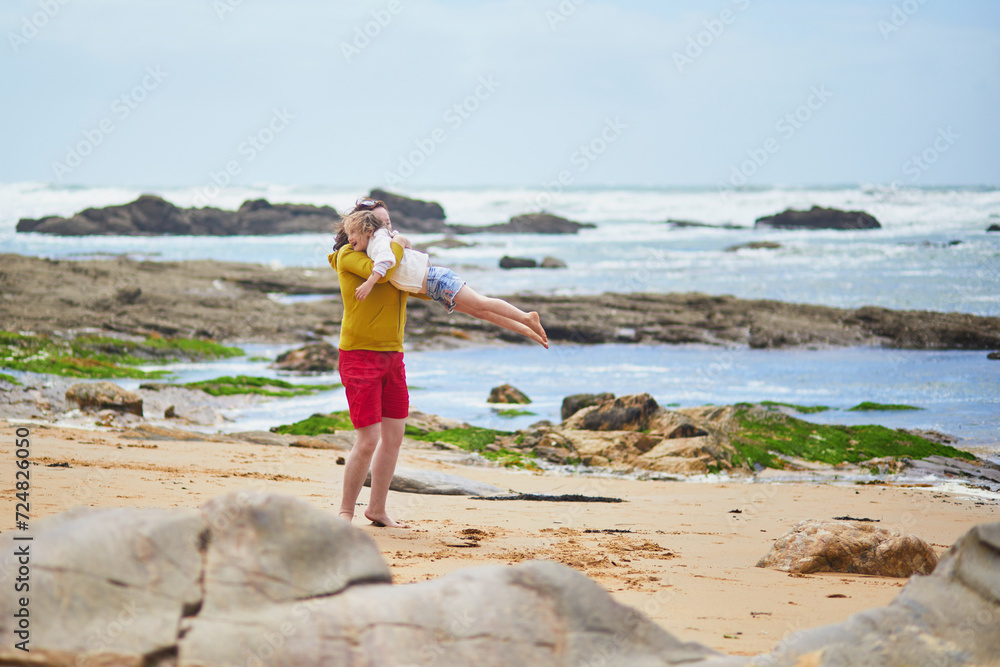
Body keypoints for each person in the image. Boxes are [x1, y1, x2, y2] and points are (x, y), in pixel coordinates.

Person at [328, 201, 421, 529]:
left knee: (394, 436)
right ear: (360, 228)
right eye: (378, 225)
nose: (386, 230)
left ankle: (377, 510)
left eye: (388, 224)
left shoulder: (392, 258)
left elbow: (419, 283)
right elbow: (378, 276)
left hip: (393, 355)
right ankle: (345, 512)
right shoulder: (348, 257)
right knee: (368, 439)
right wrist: (398, 244)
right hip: (359, 355)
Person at [341, 206, 548, 348]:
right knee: (480, 313)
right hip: (432, 287)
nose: (349, 239)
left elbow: (387, 262)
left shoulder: (379, 242)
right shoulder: (376, 243)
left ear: (366, 229)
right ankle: (527, 330)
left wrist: (369, 283)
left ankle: (526, 317)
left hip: (437, 280)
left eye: (352, 233)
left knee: (480, 303)